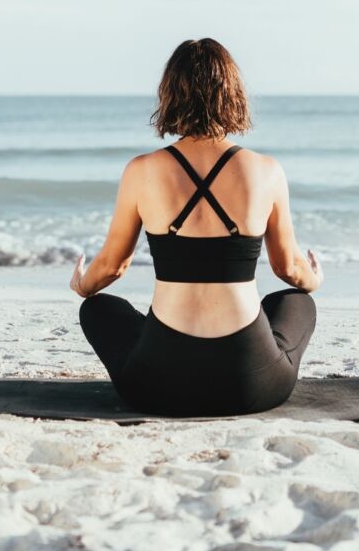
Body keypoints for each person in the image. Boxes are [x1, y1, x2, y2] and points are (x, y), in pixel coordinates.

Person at [71, 38, 322, 416]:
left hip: (157, 387)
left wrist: (82, 285)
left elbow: (112, 267)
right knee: (296, 302)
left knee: (97, 308)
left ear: (170, 94)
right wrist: (314, 278)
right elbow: (288, 269)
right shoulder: (267, 171)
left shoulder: (142, 170)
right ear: (233, 94)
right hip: (249, 385)